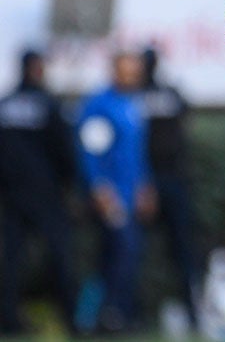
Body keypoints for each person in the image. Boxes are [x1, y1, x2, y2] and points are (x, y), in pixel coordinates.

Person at [75, 50, 158, 334]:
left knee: (121, 255)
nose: (133, 75)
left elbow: (137, 154)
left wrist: (145, 187)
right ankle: (107, 315)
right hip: (112, 196)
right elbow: (90, 152)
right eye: (127, 70)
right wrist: (99, 188)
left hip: (131, 194)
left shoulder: (133, 104)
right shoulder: (100, 104)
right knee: (120, 253)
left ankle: (107, 315)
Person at [0, 50, 78, 335]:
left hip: (12, 196)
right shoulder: (48, 104)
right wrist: (67, 185)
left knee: (11, 262)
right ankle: (71, 320)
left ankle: (9, 322)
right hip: (46, 196)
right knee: (60, 258)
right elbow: (65, 150)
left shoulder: (5, 104)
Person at [141, 47, 203, 331]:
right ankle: (137, 312)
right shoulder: (140, 94)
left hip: (168, 181)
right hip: (148, 182)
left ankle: (191, 310)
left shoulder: (152, 93)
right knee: (138, 250)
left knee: (181, 249)